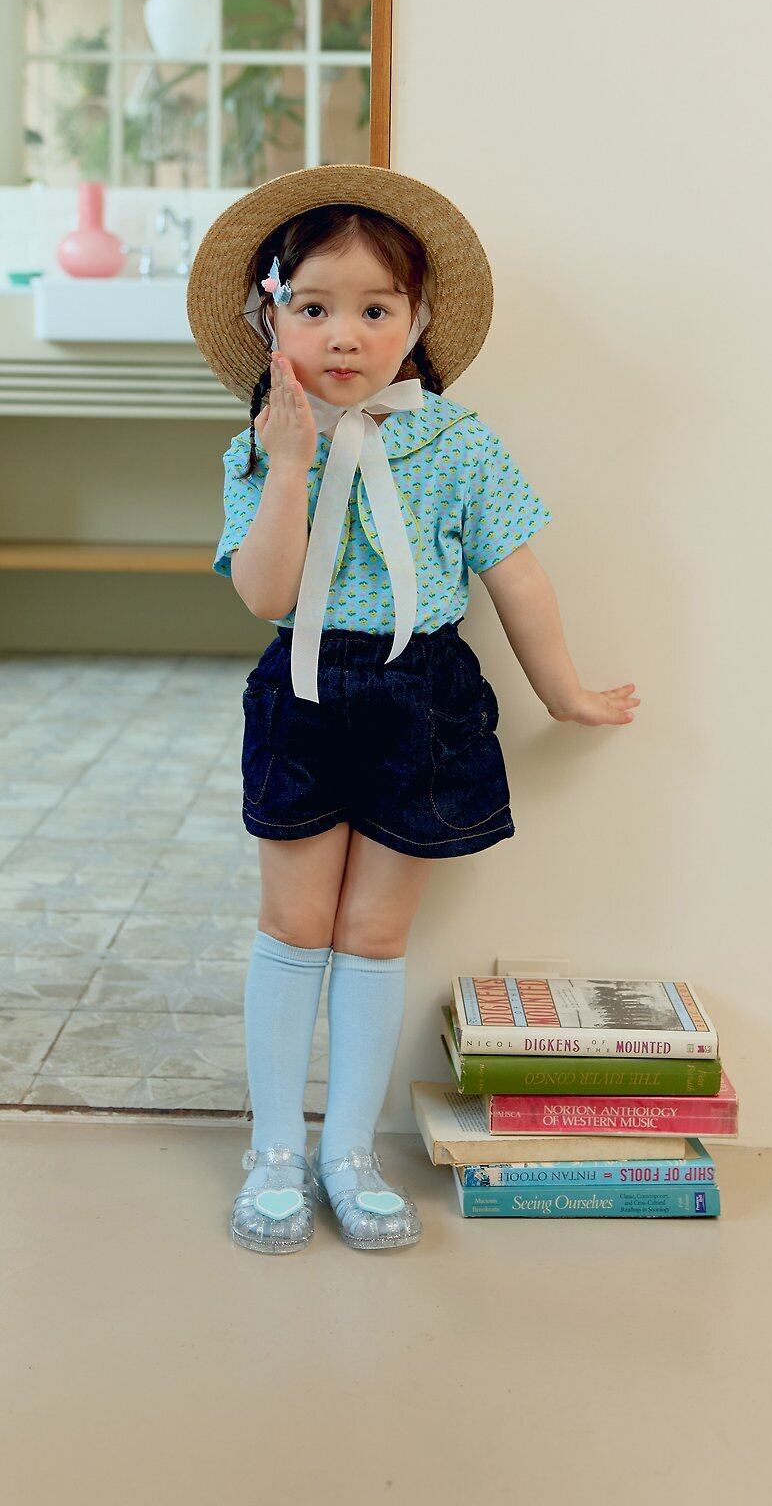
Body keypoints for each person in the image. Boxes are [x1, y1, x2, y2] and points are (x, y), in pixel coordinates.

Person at [185, 164, 641, 1255]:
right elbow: (264, 595)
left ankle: (349, 1152)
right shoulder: (256, 448)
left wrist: (564, 692)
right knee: (294, 925)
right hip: (302, 694)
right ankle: (275, 1149)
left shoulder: (460, 442)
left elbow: (515, 574)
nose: (343, 336)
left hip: (421, 703)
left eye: (374, 310)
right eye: (313, 308)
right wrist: (287, 468)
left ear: (418, 320)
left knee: (373, 933)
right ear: (269, 319)